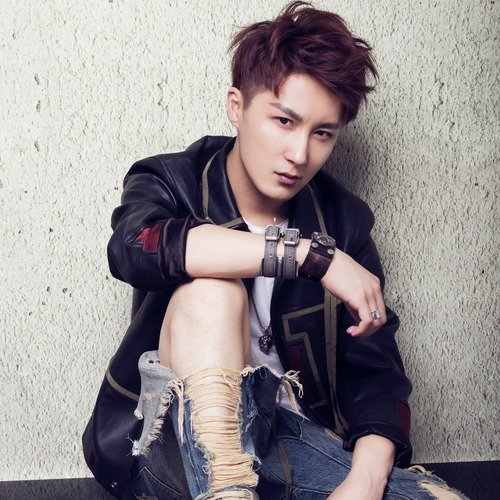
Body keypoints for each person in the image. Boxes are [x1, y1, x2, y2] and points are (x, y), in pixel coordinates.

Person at [83, 2, 469, 499]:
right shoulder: (173, 179)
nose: (300, 154)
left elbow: (375, 372)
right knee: (212, 293)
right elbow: (135, 248)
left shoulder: (343, 220)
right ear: (236, 106)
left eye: (322, 133)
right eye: (284, 121)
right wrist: (311, 257)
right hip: (169, 444)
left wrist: (366, 481)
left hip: (284, 436)